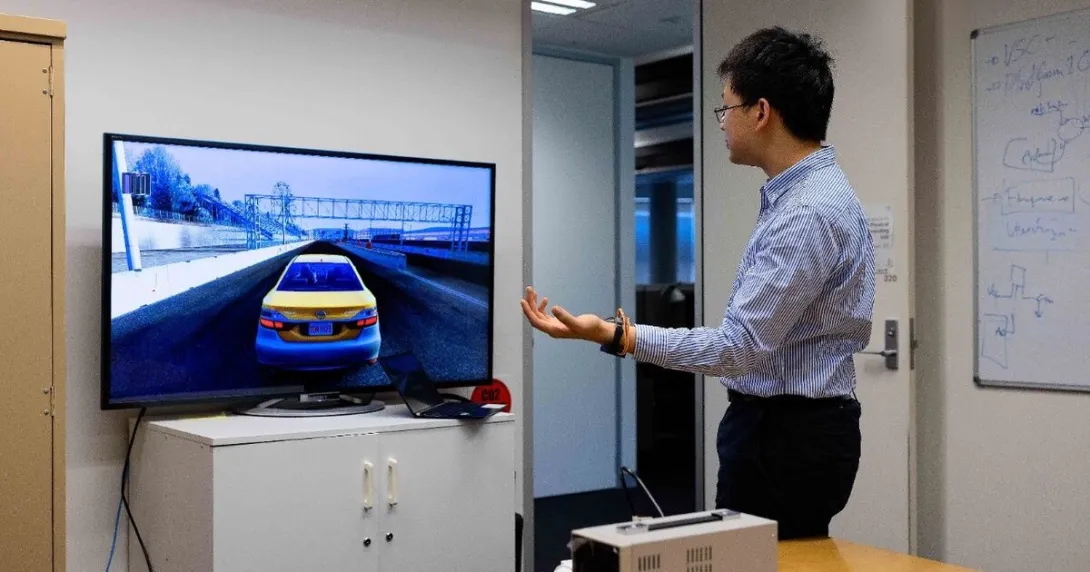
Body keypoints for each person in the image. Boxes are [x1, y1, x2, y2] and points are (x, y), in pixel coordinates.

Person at [520, 26, 874, 539]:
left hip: (786, 438)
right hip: (790, 431)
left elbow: (738, 349)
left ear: (761, 111)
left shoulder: (807, 212)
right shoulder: (807, 196)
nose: (723, 123)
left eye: (726, 109)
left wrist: (617, 335)